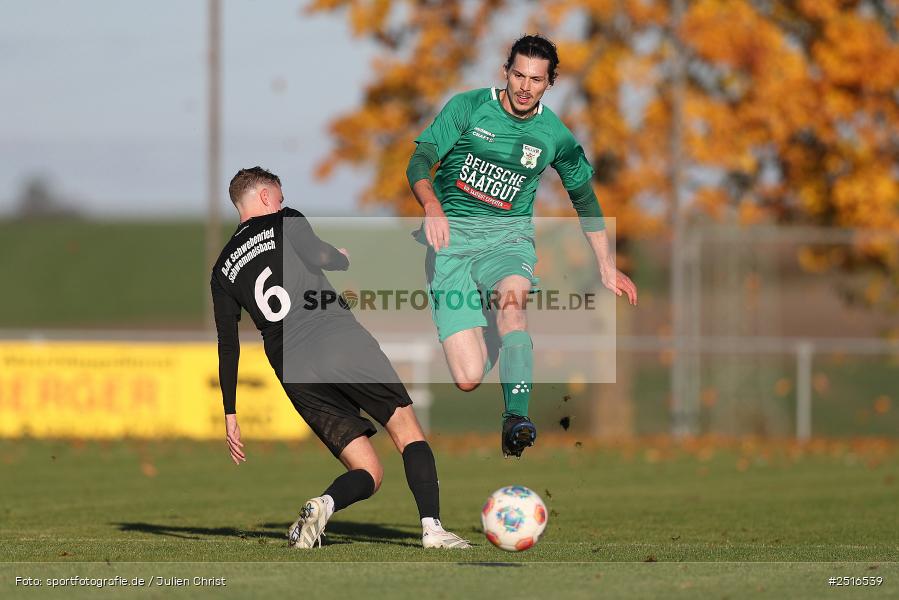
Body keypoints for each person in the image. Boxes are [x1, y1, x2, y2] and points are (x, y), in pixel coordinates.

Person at [210, 166, 469, 549]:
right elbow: (318, 253)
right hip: (335, 337)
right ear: (266, 197)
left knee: (369, 470)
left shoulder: (222, 270)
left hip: (291, 365)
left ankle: (324, 505)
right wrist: (339, 257)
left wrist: (230, 413)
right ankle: (432, 529)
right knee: (406, 429)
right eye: (279, 197)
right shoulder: (285, 220)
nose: (282, 203)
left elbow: (227, 344)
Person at [406, 34, 638, 458]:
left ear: (550, 83)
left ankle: (516, 419)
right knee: (468, 376)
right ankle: (501, 343)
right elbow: (419, 161)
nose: (524, 86)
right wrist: (432, 204)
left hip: (508, 243)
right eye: (518, 75)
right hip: (450, 247)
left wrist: (607, 264)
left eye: (536, 79)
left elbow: (585, 199)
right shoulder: (468, 107)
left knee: (513, 310)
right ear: (505, 72)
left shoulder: (555, 136)